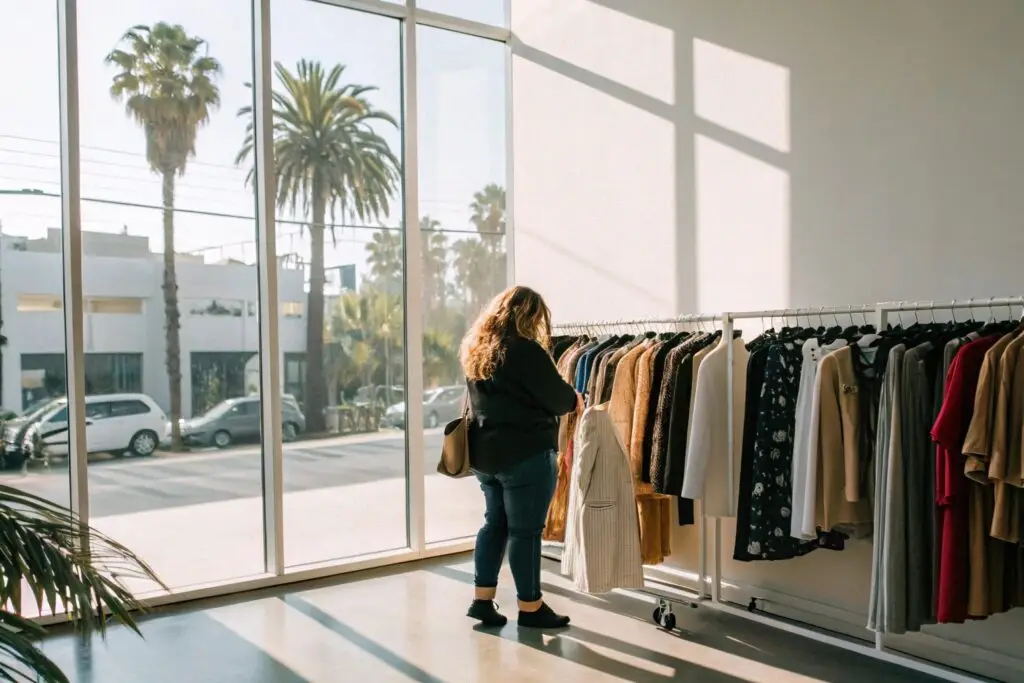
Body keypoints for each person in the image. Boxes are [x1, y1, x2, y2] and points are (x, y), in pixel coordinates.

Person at [460, 285, 582, 629]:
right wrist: (576, 399)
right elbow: (557, 399)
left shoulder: (477, 350)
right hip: (526, 453)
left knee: (494, 524)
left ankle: (482, 602)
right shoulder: (526, 351)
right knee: (526, 532)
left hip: (486, 456)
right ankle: (530, 607)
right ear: (530, 316)